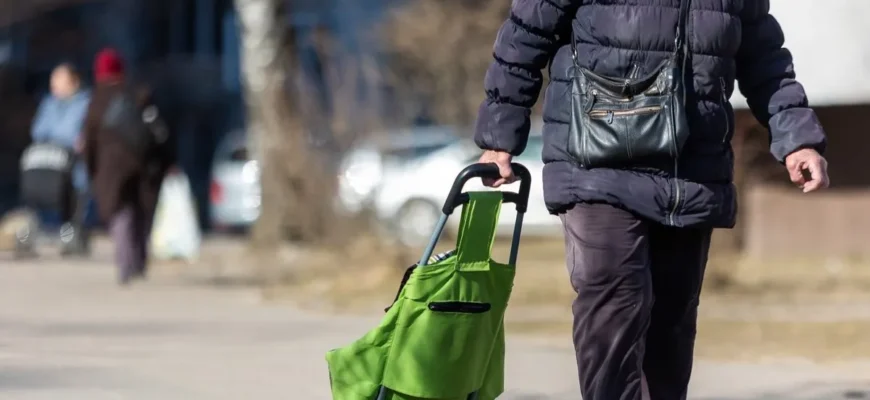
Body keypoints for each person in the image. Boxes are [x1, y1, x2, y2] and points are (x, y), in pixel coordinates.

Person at [474, 1, 829, 399]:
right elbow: (524, 36)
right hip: (597, 162)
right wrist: (499, 139)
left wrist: (797, 138)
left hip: (692, 172)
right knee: (614, 305)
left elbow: (763, 56)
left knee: (671, 328)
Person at [82, 48, 175, 285]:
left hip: (111, 168)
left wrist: (90, 168)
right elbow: (160, 131)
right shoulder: (140, 93)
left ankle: (126, 264)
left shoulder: (97, 100)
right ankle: (139, 260)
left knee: (120, 213)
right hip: (146, 163)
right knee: (142, 212)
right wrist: (167, 161)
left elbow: (89, 140)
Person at [30, 63, 92, 255]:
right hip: (54, 165)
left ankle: (75, 239)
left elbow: (76, 133)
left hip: (76, 167)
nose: (54, 85)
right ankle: (64, 237)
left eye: (59, 80)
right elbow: (38, 130)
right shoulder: (49, 104)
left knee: (76, 203)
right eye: (53, 81)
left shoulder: (85, 103)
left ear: (74, 82)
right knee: (56, 200)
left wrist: (68, 140)